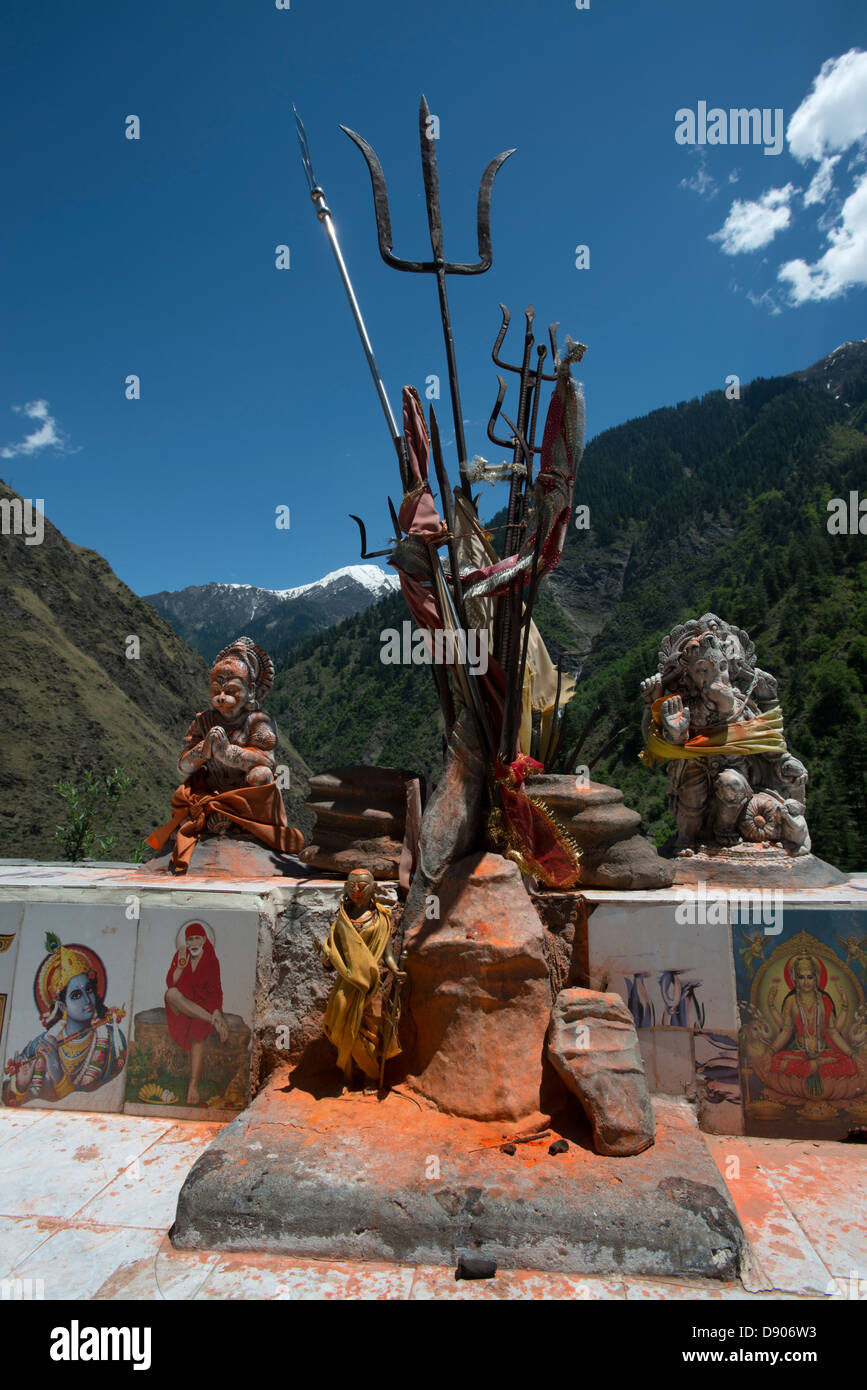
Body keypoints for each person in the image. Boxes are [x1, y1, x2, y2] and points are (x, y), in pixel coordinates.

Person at [2, 933, 126, 1107]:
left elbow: (98, 1102)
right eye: (76, 995)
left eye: (88, 990)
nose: (87, 1000)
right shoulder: (39, 1046)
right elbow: (12, 1103)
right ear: (62, 1006)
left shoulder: (113, 1040)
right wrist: (22, 1085)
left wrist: (55, 1069)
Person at [319, 869, 405, 1091]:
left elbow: (387, 956)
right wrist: (324, 956)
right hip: (347, 983)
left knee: (371, 1030)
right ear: (346, 888)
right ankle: (347, 1075)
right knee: (342, 1025)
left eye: (363, 886)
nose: (357, 890)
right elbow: (331, 958)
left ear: (373, 889)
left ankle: (370, 1077)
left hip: (371, 984)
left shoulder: (381, 919)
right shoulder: (342, 920)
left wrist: (396, 971)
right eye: (352, 885)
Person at [768, 953, 858, 1097]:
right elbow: (786, 1031)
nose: (806, 982)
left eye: (810, 977)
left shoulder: (825, 1000)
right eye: (801, 977)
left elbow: (833, 1032)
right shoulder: (791, 1001)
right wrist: (771, 1051)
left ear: (816, 978)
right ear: (794, 979)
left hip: (824, 1053)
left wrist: (851, 1053)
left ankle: (809, 1074)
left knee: (850, 1064)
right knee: (774, 1063)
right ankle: (817, 1073)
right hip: (798, 1054)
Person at [164, 922, 227, 1105]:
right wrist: (181, 966)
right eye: (190, 939)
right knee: (171, 994)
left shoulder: (211, 960)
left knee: (198, 1034)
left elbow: (216, 990)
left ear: (204, 940)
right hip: (181, 1007)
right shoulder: (180, 955)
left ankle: (193, 1085)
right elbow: (171, 983)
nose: (193, 942)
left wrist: (216, 1010)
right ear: (186, 941)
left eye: (197, 938)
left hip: (200, 1008)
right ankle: (211, 1020)